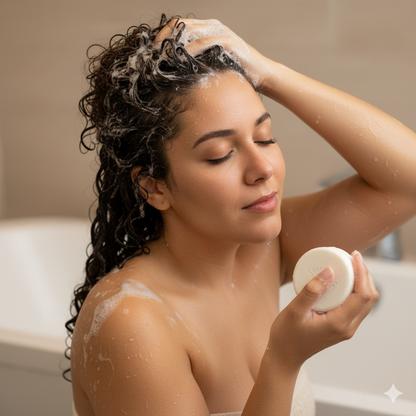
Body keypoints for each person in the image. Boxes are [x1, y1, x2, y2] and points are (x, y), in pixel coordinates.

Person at [66, 14, 416, 416]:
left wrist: (269, 73)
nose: (262, 168)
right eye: (221, 155)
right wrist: (282, 362)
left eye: (264, 137)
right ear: (154, 186)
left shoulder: (264, 250)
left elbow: (407, 181)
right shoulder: (132, 323)